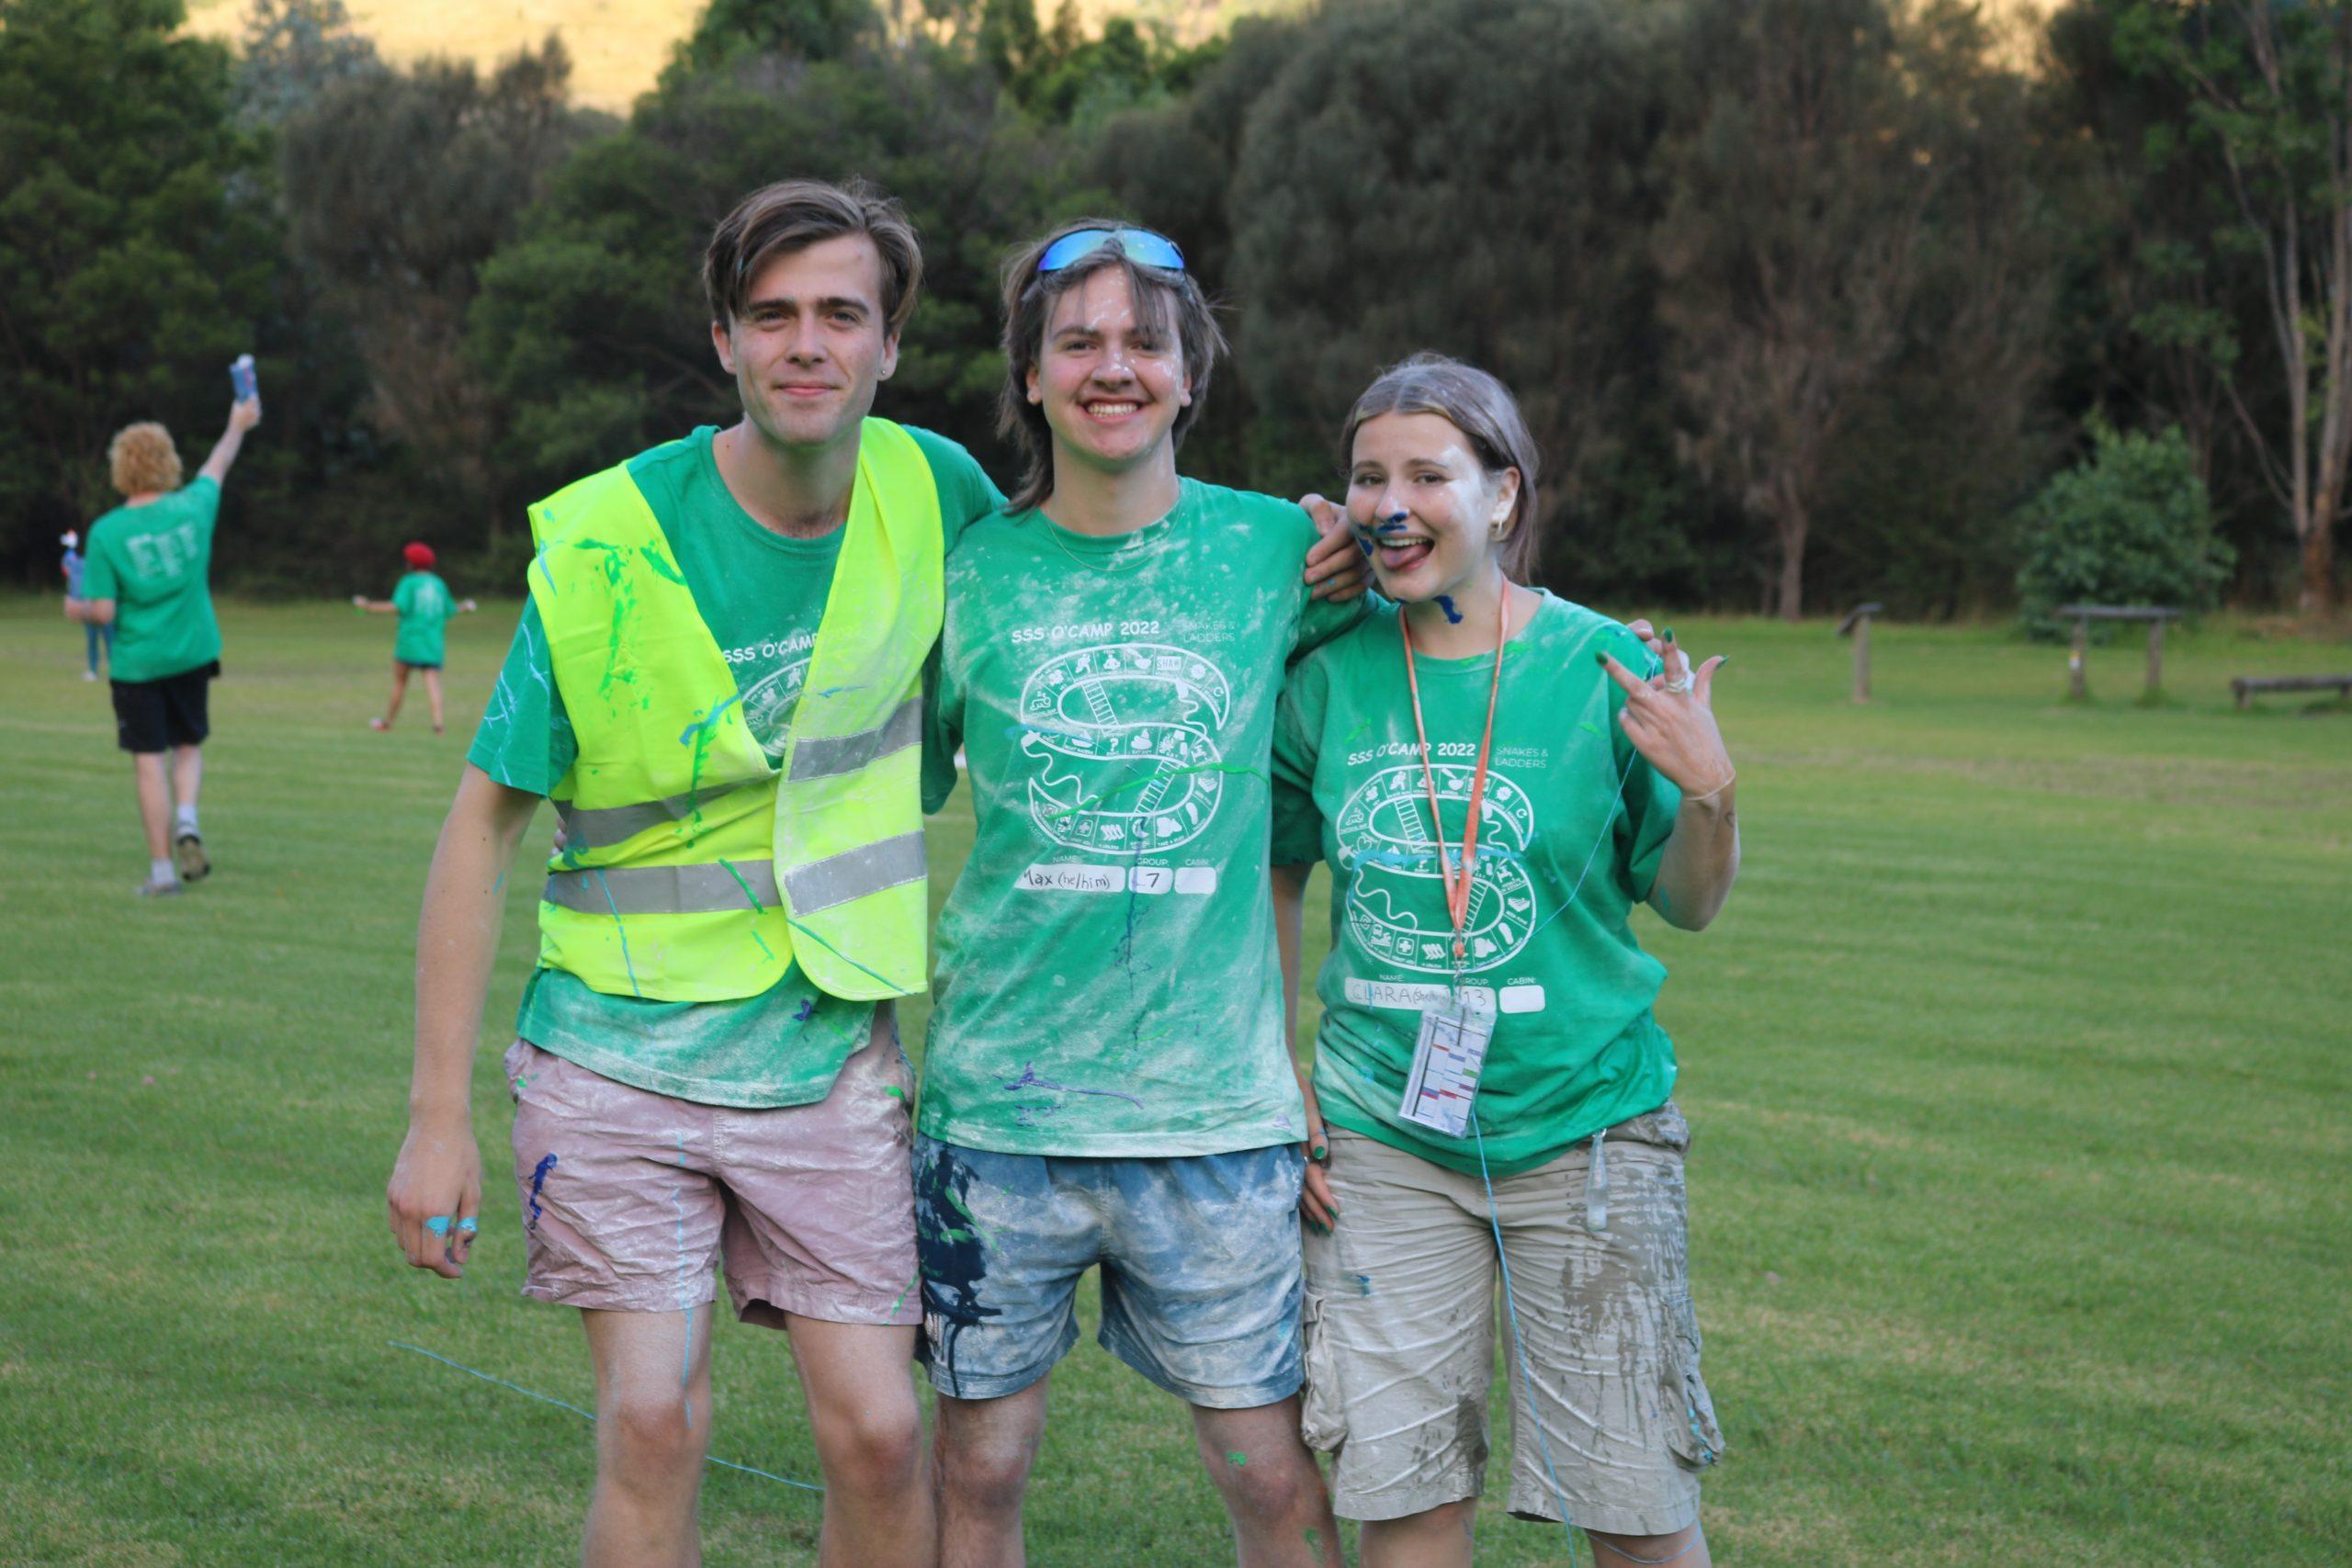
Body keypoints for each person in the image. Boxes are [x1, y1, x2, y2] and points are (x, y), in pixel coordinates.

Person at [383, 178, 1004, 1568]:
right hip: (610, 1058)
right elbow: (480, 828)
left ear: (890, 342)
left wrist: (1303, 550)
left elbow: (1095, 557)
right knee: (652, 1420)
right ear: (723, 340)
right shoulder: (609, 539)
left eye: (841, 313)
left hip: (825, 1049)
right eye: (770, 315)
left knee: (881, 1434)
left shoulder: (938, 492)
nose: (806, 344)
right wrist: (435, 1116)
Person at [916, 223, 1362, 1568]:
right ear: (1031, 376)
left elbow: (1453, 578)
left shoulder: (1281, 550)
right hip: (1000, 1108)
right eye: (1078, 343)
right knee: (979, 1467)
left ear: (1190, 372)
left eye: (1143, 342)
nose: (1113, 367)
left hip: (1213, 1114)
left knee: (1267, 1471)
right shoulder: (965, 572)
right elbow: (870, 802)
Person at [1268, 354, 1740, 1568]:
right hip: (1381, 1141)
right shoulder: (1325, 672)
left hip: (1588, 1132)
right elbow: (1276, 872)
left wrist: (1710, 791)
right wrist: (1282, 1067)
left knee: (1635, 1508)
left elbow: (1688, 902)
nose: (1391, 505)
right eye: (1368, 477)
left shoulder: (1601, 665)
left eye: (1429, 475)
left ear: (1504, 494)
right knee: (1408, 1503)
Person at [69, 398, 262, 896]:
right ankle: (188, 819)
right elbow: (218, 464)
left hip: (138, 663)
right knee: (188, 746)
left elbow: (103, 611)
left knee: (148, 760)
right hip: (193, 653)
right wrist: (237, 423)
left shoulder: (107, 531)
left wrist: (76, 609)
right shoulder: (193, 506)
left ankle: (161, 873)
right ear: (167, 461)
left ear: (121, 468)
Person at [353, 541, 476, 733]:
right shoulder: (439, 584)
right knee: (433, 683)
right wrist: (465, 607)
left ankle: (387, 723)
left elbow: (396, 606)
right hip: (432, 643)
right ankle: (438, 725)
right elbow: (449, 610)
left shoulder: (409, 582)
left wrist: (368, 606)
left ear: (412, 563)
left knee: (400, 682)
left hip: (409, 642)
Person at [61, 530, 114, 680]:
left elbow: (66, 566)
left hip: (100, 605)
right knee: (96, 639)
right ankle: (94, 670)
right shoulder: (80, 564)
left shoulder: (89, 564)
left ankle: (108, 670)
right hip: (90, 606)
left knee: (106, 639)